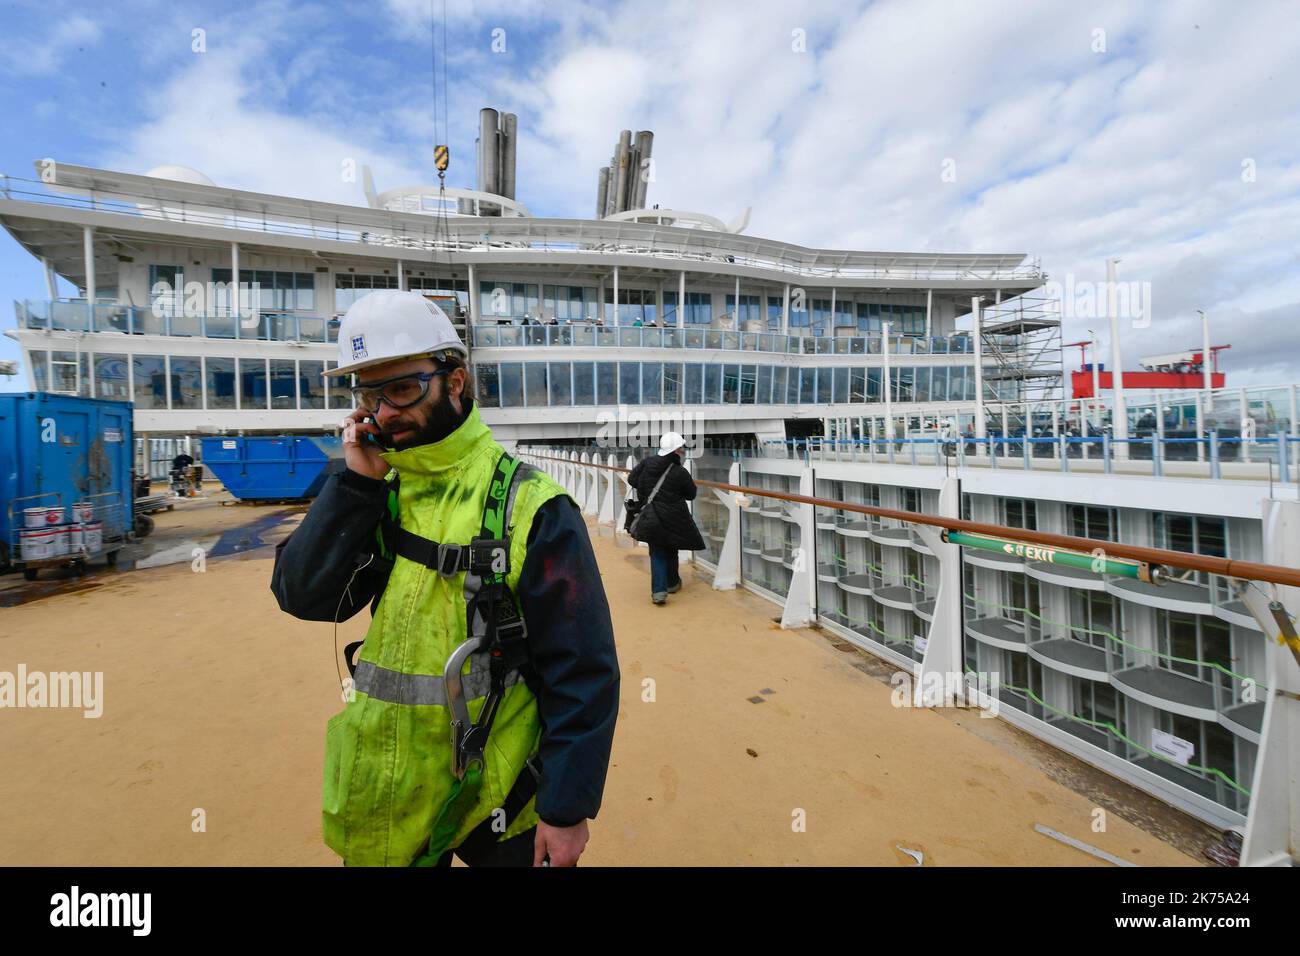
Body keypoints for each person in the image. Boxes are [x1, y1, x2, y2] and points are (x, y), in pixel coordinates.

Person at [270, 290, 619, 868]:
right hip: (393, 787)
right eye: (368, 395)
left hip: (502, 796)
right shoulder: (383, 493)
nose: (383, 413)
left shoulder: (533, 505)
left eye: (402, 389)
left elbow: (583, 668)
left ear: (455, 382)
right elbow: (304, 596)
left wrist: (565, 810)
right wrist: (355, 484)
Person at [627, 432, 706, 605]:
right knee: (671, 548)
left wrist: (645, 490)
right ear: (676, 450)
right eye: (681, 447)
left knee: (657, 551)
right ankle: (672, 583)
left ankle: (659, 591)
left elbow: (632, 479)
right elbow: (691, 494)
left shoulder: (647, 463)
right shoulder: (679, 471)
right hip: (674, 517)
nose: (683, 450)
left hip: (650, 515)